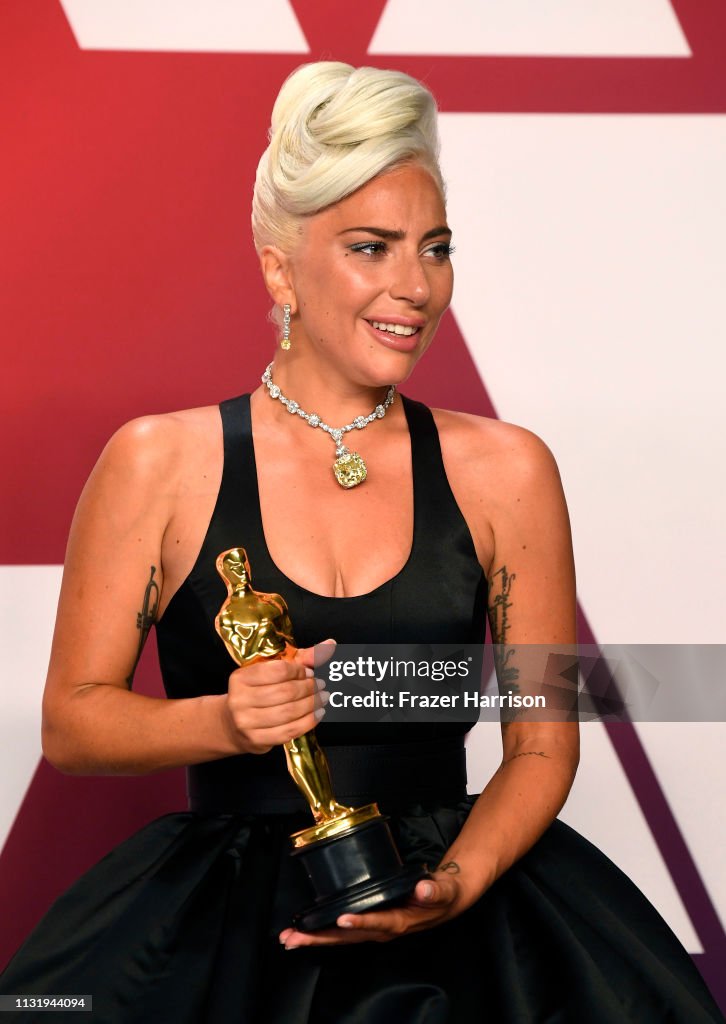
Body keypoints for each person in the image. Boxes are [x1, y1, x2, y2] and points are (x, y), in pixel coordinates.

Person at [1, 61, 723, 1024]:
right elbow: (74, 722)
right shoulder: (156, 462)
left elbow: (542, 744)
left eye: (436, 248)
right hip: (227, 913)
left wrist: (454, 886)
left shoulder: (507, 470)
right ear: (278, 266)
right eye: (372, 247)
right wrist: (224, 719)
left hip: (470, 915)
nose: (415, 286)